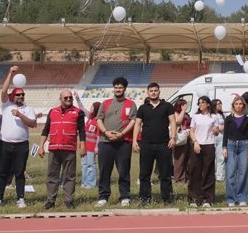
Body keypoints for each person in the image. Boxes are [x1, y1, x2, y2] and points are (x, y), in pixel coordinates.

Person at [0, 66, 36, 209]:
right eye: (18, 95)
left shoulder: (28, 109)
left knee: (19, 173)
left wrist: (21, 115)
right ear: (12, 96)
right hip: (5, 144)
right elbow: (3, 91)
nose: (21, 97)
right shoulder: (6, 105)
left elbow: (33, 124)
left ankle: (20, 198)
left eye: (22, 95)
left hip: (21, 145)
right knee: (2, 172)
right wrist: (10, 73)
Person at [39, 89, 85, 210]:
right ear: (60, 99)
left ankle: (68, 200)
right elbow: (46, 129)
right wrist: (41, 146)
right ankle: (50, 200)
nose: (69, 99)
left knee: (69, 176)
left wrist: (82, 146)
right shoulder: (52, 111)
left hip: (69, 149)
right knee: (52, 175)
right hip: (54, 148)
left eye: (70, 97)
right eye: (66, 98)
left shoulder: (78, 112)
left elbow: (82, 131)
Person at [95, 76, 137, 207]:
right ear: (113, 89)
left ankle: (124, 196)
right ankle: (103, 196)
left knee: (124, 170)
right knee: (104, 171)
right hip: (105, 142)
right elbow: (99, 119)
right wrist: (106, 132)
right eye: (116, 87)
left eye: (120, 87)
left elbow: (133, 121)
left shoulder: (131, 104)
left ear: (125, 89)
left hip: (123, 142)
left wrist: (122, 134)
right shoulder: (105, 103)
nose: (118, 89)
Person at [132, 82, 176, 205]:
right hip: (146, 145)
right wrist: (135, 140)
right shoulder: (142, 108)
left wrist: (173, 138)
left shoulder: (167, 106)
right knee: (144, 174)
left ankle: (167, 199)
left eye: (155, 90)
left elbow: (173, 122)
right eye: (151, 91)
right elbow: (137, 124)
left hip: (164, 144)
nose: (153, 92)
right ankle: (145, 199)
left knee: (165, 174)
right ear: (148, 92)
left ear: (159, 92)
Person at [188, 96, 220, 208]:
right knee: (195, 171)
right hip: (197, 145)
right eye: (199, 103)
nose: (200, 104)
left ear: (208, 104)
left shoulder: (214, 116)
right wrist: (195, 142)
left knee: (208, 172)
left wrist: (216, 131)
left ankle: (207, 198)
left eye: (203, 102)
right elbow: (191, 131)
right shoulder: (195, 117)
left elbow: (216, 132)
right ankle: (194, 198)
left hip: (209, 145)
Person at [223, 95, 248, 207]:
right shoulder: (228, 119)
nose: (238, 106)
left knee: (243, 173)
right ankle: (231, 198)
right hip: (230, 145)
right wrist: (224, 147)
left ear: (244, 105)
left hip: (244, 146)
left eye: (240, 104)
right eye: (236, 104)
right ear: (233, 106)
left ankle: (242, 197)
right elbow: (225, 134)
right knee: (230, 173)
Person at [74, 94, 100, 190]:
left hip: (92, 147)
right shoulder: (90, 116)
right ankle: (84, 183)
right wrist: (77, 97)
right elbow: (81, 107)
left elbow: (98, 135)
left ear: (97, 108)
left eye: (92, 107)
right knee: (84, 165)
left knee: (91, 165)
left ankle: (91, 183)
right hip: (84, 145)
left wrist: (97, 147)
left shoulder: (98, 121)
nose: (91, 108)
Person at [172, 99, 192, 184]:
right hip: (179, 138)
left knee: (188, 159)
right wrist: (183, 111)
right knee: (179, 160)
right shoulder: (175, 113)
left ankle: (185, 177)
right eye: (184, 105)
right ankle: (178, 178)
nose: (186, 107)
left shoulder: (187, 114)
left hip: (187, 138)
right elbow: (178, 121)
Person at [213, 99, 226, 182]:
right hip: (212, 137)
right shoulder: (211, 115)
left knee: (221, 157)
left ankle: (220, 177)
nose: (220, 105)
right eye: (218, 104)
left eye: (221, 103)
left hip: (221, 137)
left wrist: (222, 127)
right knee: (212, 157)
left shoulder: (223, 115)